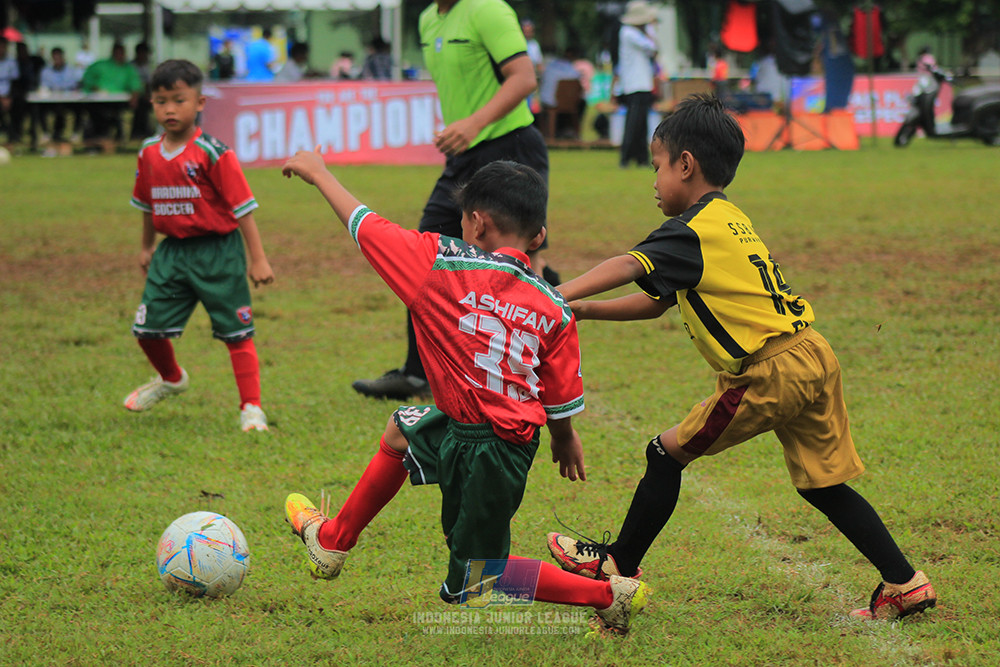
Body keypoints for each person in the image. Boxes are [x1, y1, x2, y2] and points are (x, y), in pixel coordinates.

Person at [545, 94, 938, 622]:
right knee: (824, 484)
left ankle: (617, 564)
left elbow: (628, 264)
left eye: (657, 166)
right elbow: (658, 301)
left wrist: (551, 294)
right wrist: (585, 310)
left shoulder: (688, 231)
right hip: (812, 355)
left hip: (769, 372)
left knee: (665, 454)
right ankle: (905, 583)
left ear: (685, 165)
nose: (653, 180)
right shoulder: (727, 218)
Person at [280, 152, 649, 637]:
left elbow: (364, 225)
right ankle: (332, 542)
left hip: (492, 449)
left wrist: (320, 173)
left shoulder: (436, 262)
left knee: (479, 578)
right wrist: (564, 439)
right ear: (539, 236)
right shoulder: (554, 306)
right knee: (402, 428)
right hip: (480, 427)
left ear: (476, 223)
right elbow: (558, 394)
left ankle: (609, 596)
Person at [351, 0, 556, 401]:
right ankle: (417, 374)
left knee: (520, 263)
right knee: (428, 258)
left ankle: (545, 354)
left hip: (510, 147)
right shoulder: (429, 19)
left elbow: (524, 77)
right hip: (463, 158)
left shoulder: (489, 10)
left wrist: (473, 123)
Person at [124, 59, 275, 432]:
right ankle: (172, 378)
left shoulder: (214, 152)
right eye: (161, 101)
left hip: (218, 252)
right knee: (147, 330)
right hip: (171, 253)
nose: (170, 109)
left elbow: (243, 210)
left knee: (237, 333)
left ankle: (251, 409)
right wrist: (146, 247)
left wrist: (258, 259)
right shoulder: (148, 152)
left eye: (179, 100)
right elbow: (146, 205)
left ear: (200, 103)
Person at [617, 0, 659, 168]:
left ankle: (641, 157)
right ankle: (625, 157)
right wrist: (650, 30)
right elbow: (652, 47)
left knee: (642, 124)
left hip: (643, 83)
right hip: (635, 84)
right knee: (633, 123)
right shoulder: (628, 32)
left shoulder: (635, 32)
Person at [80, 42, 144, 147]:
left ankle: (120, 138)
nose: (120, 55)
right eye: (117, 52)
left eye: (121, 53)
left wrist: (135, 96)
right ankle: (96, 139)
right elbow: (87, 79)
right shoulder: (100, 65)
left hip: (119, 103)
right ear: (113, 53)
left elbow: (136, 85)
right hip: (98, 102)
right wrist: (94, 87)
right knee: (94, 113)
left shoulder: (128, 68)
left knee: (128, 112)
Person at [38, 46, 82, 144]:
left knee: (80, 108)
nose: (57, 59)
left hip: (68, 101)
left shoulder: (71, 71)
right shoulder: (46, 71)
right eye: (55, 57)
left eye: (59, 57)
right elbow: (44, 87)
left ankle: (75, 134)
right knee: (39, 109)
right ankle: (46, 134)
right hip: (51, 101)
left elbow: (75, 86)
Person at [130, 42, 154, 140]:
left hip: (145, 96)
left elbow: (149, 83)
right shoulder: (131, 67)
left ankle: (145, 131)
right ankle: (138, 133)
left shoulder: (149, 67)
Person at [0, 37, 17, 145]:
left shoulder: (11, 62)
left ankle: (13, 137)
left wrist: (8, 97)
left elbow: (15, 81)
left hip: (9, 95)